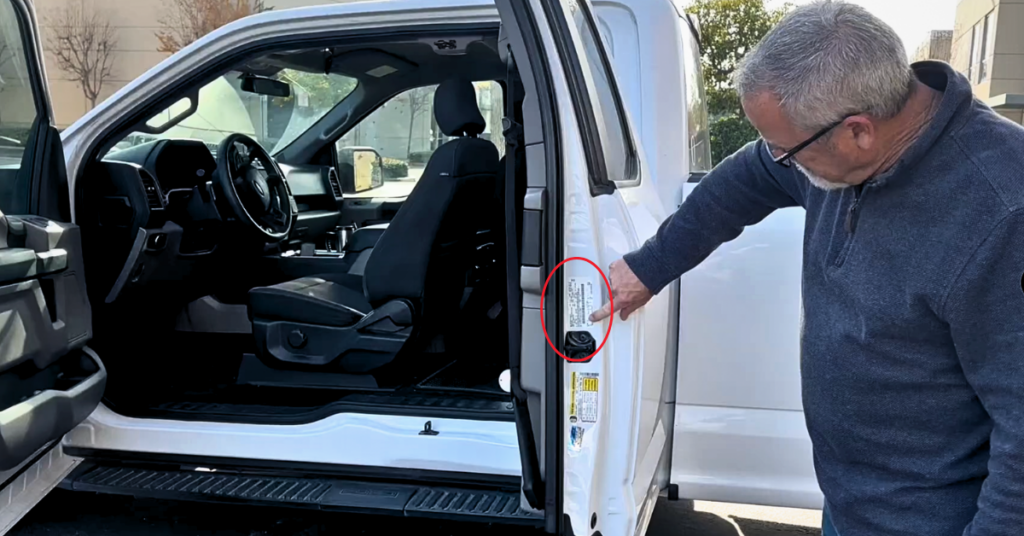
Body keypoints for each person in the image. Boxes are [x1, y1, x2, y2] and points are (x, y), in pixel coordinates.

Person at [589, 1, 1024, 535]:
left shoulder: (1002, 210)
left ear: (858, 132)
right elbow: (744, 180)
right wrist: (649, 267)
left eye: (784, 150)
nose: (778, 162)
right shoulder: (840, 147)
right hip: (847, 504)